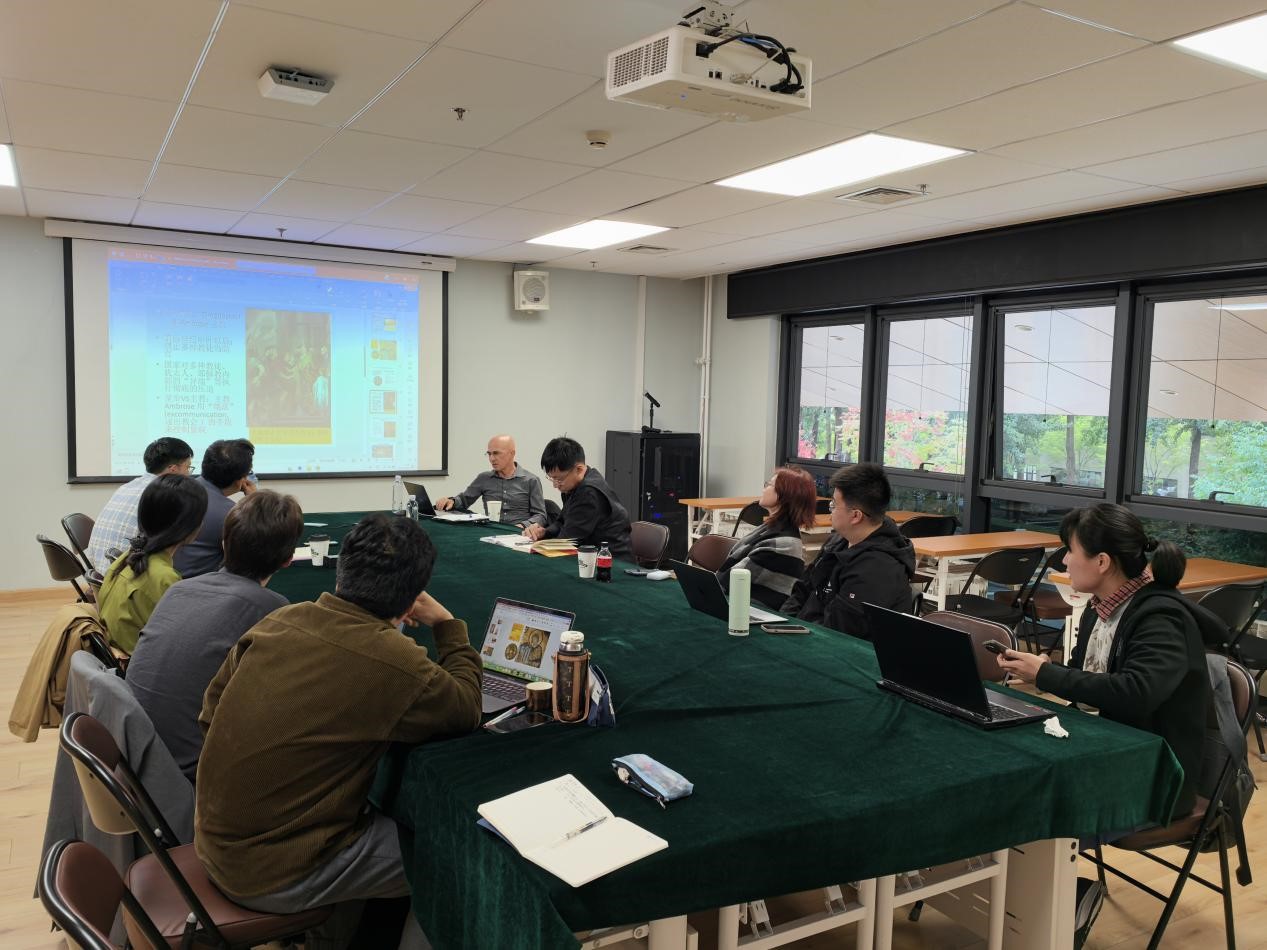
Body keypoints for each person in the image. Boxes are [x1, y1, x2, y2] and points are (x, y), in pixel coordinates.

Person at [194, 514, 482, 949]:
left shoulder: (280, 620)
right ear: (411, 598)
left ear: (342, 568)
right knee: (458, 861)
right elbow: (466, 707)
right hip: (272, 872)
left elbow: (209, 714)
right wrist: (446, 625)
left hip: (213, 838)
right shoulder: (394, 661)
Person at [997, 503, 1212, 816]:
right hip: (1103, 747)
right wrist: (1042, 670)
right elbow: (1086, 678)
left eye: (1070, 551)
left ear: (1101, 562)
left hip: (1153, 776)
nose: (1065, 561)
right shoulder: (1099, 607)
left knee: (1021, 791)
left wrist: (1046, 674)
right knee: (1010, 761)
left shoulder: (1161, 619)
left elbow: (1136, 693)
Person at [127, 490, 304, 783]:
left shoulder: (178, 590)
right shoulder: (272, 611)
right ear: (288, 559)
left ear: (223, 543)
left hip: (134, 756)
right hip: (192, 778)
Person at [782, 463, 916, 639]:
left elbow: (838, 632)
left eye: (834, 505)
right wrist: (782, 623)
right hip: (803, 635)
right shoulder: (839, 540)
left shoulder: (878, 568)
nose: (830, 511)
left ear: (856, 516)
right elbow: (802, 590)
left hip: (839, 648)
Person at [97, 474, 208, 654]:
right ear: (187, 525)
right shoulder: (164, 578)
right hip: (141, 664)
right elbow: (183, 642)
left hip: (121, 657)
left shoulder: (126, 557)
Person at [87, 437, 194, 574]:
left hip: (99, 572)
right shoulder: (163, 496)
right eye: (188, 467)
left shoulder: (127, 487)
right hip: (123, 576)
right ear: (173, 469)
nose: (189, 474)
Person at [717, 467, 816, 610]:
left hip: (751, 610)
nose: (764, 489)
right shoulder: (772, 529)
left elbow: (730, 581)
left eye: (769, 484)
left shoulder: (783, 544)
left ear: (784, 495)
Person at [522, 437, 632, 559]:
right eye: (551, 478)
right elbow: (563, 522)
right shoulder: (574, 484)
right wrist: (544, 532)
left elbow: (567, 540)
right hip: (589, 555)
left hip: (611, 561)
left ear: (579, 469)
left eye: (559, 479)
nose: (555, 485)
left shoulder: (589, 492)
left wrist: (538, 546)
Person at [175, 438, 256, 578]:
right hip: (200, 585)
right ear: (240, 479)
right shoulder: (230, 513)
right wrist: (255, 501)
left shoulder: (175, 490)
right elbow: (255, 551)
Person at [435, 435, 547, 527]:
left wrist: (522, 525)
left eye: (496, 453)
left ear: (512, 453)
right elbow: (464, 500)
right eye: (489, 454)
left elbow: (541, 516)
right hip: (491, 533)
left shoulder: (531, 480)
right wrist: (452, 501)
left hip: (519, 534)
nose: (491, 458)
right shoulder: (484, 478)